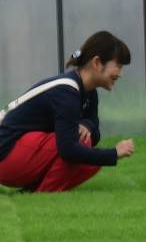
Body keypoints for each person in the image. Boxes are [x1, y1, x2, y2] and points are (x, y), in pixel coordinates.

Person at [0, 31, 134, 192]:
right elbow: (68, 149)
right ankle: (41, 193)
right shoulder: (66, 92)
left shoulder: (88, 92)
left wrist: (87, 125)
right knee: (81, 144)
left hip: (18, 155)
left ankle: (32, 192)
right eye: (118, 66)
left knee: (90, 154)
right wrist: (113, 153)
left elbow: (95, 133)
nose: (121, 73)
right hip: (6, 155)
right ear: (97, 63)